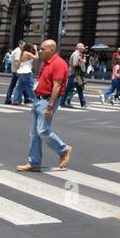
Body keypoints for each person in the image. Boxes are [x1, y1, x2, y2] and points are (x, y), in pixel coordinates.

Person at [17, 39, 72, 171]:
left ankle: (64, 149)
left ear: (52, 50)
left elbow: (57, 87)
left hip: (48, 100)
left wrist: (50, 106)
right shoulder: (46, 63)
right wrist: (35, 103)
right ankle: (34, 163)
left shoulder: (59, 64)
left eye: (43, 49)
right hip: (39, 99)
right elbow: (41, 82)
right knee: (34, 134)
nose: (40, 51)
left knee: (42, 130)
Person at [62, 43, 87, 108]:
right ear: (79, 48)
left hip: (73, 74)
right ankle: (83, 104)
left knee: (68, 90)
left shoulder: (78, 54)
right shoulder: (76, 54)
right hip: (75, 75)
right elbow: (75, 64)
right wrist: (82, 62)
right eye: (82, 47)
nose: (83, 48)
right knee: (79, 89)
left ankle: (62, 102)